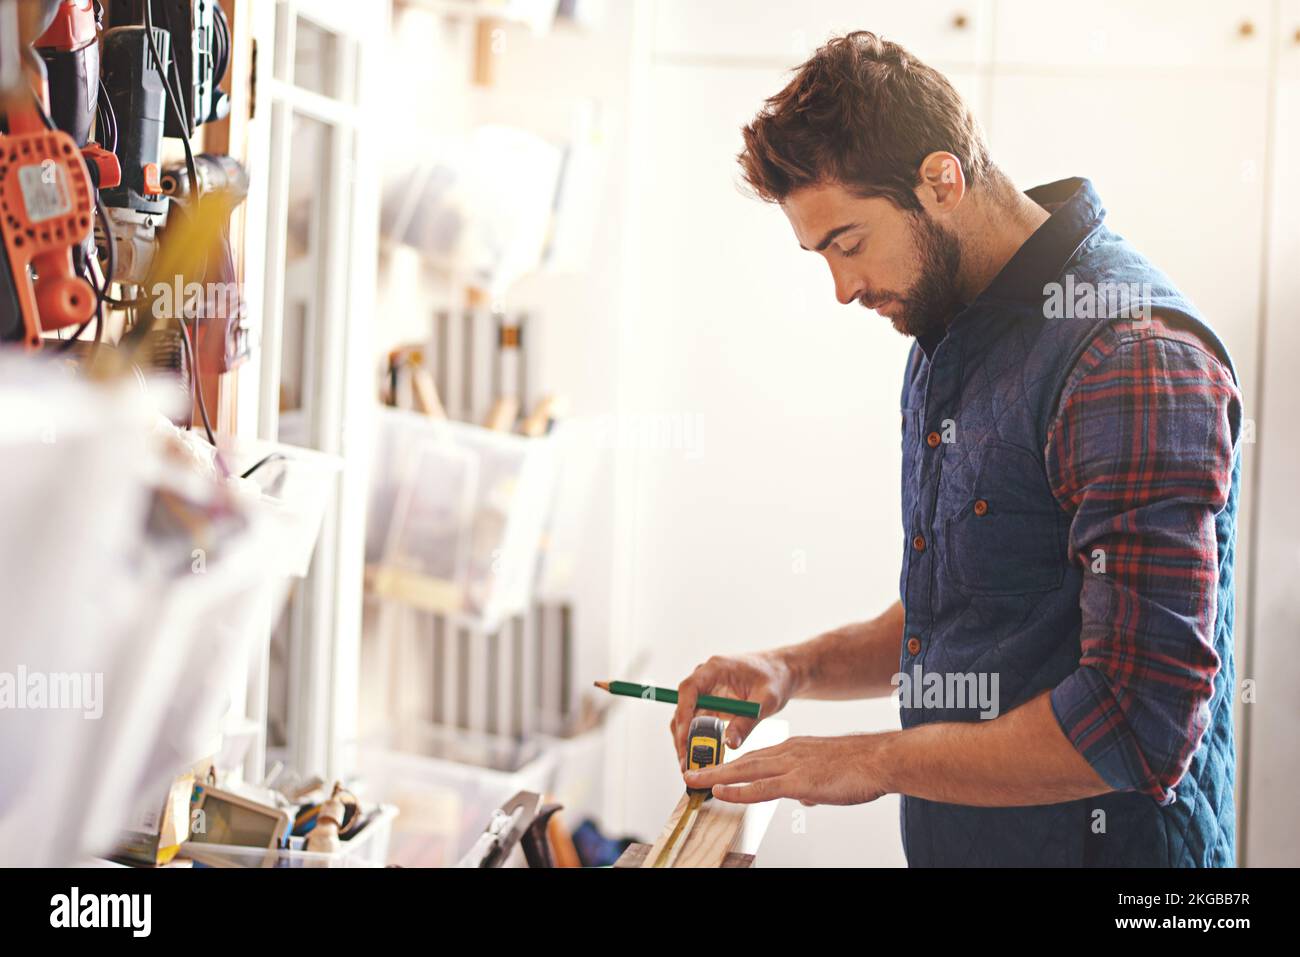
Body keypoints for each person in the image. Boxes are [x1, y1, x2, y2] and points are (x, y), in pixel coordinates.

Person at [674, 31, 1243, 867]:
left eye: (849, 242)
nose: (842, 288)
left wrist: (863, 760)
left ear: (941, 181)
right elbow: (976, 606)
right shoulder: (949, 331)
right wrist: (789, 668)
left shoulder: (1131, 357)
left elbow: (1135, 724)